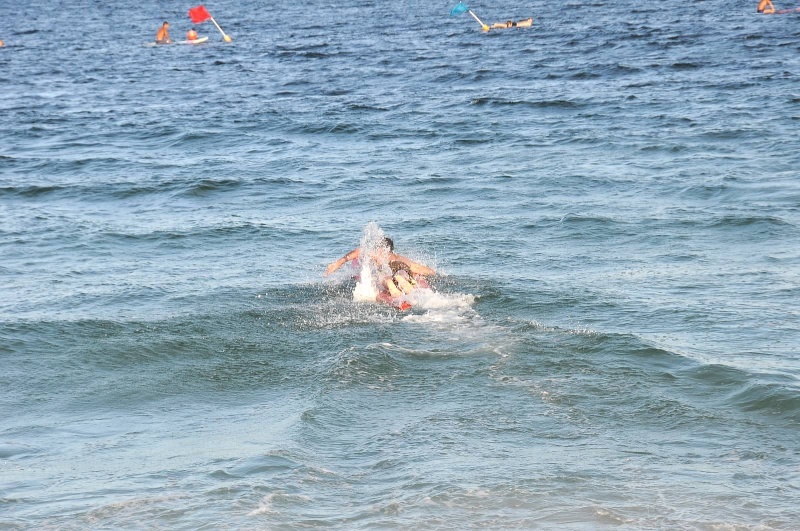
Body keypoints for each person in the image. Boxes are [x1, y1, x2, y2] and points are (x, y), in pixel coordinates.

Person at [325, 236, 435, 298]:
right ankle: (406, 282)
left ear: (381, 248)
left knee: (384, 278)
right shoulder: (399, 257)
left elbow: (358, 251)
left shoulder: (379, 254)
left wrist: (338, 263)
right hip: (402, 268)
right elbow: (420, 268)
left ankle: (392, 286)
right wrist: (434, 273)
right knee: (404, 274)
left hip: (389, 272)